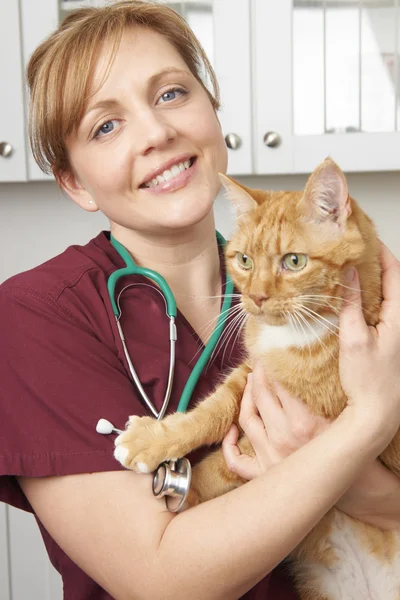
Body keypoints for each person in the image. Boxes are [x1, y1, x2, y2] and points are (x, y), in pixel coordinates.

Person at [1, 2, 400, 599]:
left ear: (214, 111)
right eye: (105, 126)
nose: (157, 133)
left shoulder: (321, 285)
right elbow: (161, 581)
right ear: (76, 183)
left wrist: (378, 496)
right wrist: (368, 420)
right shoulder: (35, 317)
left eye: (170, 94)